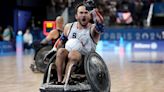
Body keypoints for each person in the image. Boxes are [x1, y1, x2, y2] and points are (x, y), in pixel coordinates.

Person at [48, 1, 104, 84]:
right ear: (76, 16)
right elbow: (61, 40)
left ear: (90, 15)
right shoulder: (69, 27)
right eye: (81, 13)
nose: (83, 15)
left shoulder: (93, 29)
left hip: (86, 62)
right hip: (69, 57)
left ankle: (65, 81)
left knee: (73, 53)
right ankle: (59, 81)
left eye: (86, 12)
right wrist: (54, 49)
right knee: (61, 51)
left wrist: (94, 11)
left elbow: (100, 24)